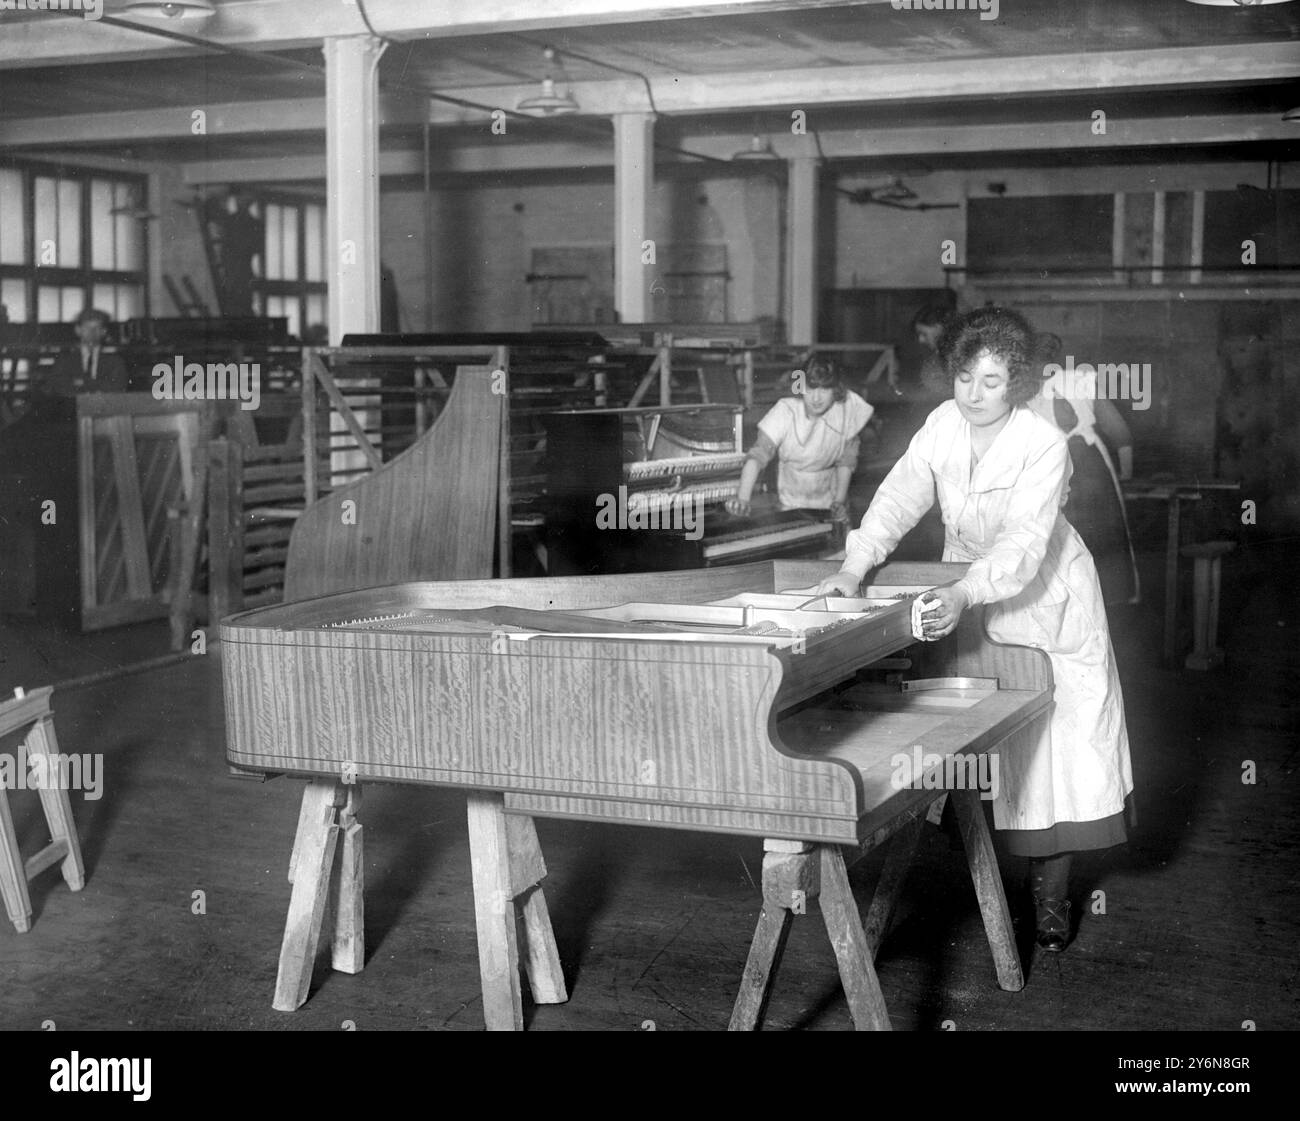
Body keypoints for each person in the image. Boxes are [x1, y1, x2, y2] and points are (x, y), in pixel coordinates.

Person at [815, 307, 1134, 953]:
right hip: (969, 592)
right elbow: (901, 495)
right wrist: (854, 567)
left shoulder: (1043, 442)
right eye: (964, 378)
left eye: (991, 381)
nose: (975, 394)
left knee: (1057, 755)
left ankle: (1050, 902)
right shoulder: (941, 425)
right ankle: (984, 890)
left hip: (1046, 597)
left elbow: (1021, 543)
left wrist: (964, 589)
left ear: (1015, 381)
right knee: (981, 742)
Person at [1027, 333, 1140, 606]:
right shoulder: (1077, 379)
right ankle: (1109, 601)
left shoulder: (1023, 390)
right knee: (1098, 540)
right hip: (1086, 468)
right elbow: (1121, 435)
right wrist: (1124, 477)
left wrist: (1123, 478)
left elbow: (1121, 434)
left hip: (1062, 470)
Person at [724, 358, 872, 539]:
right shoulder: (785, 411)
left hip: (830, 503)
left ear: (836, 389)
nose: (816, 398)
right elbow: (757, 456)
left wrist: (839, 502)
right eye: (810, 388)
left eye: (824, 389)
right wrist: (743, 499)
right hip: (790, 504)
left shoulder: (846, 412)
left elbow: (846, 462)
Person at [40, 308, 130, 398]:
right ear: (78, 330)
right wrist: (94, 385)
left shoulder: (115, 361)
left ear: (104, 331)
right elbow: (58, 387)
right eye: (87, 327)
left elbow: (118, 387)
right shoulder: (64, 360)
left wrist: (82, 382)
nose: (92, 332)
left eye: (97, 328)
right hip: (71, 408)